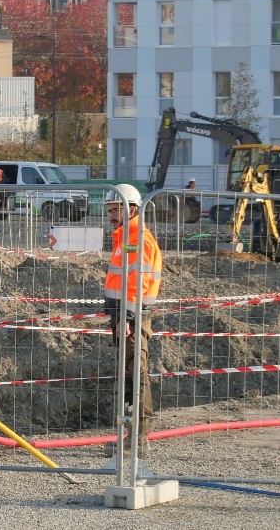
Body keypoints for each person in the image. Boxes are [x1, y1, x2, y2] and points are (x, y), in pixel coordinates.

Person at [103, 183, 162, 455]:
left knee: (136, 374)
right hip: (124, 316)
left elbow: (137, 283)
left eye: (117, 210)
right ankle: (131, 437)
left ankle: (138, 439)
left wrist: (126, 316)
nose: (112, 215)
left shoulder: (140, 239)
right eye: (111, 210)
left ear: (133, 209)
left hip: (133, 317)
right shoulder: (126, 237)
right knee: (129, 374)